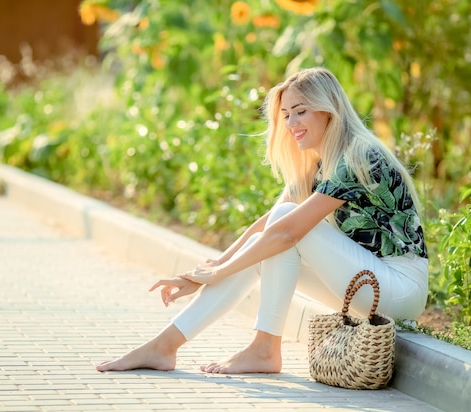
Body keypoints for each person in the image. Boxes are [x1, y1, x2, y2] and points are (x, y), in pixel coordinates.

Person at [96, 67, 428, 374]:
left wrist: (218, 273)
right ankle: (165, 346)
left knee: (284, 228)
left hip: (399, 289)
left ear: (328, 110)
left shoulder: (358, 155)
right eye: (286, 115)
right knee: (269, 238)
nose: (291, 123)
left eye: (301, 111)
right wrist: (203, 273)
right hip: (366, 284)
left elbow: (284, 230)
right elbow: (266, 226)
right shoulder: (318, 163)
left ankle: (264, 348)